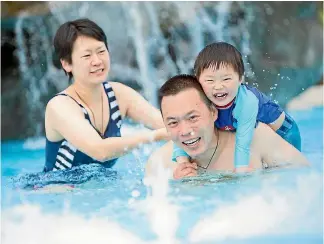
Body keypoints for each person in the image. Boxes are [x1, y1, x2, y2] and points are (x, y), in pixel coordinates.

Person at [44, 18, 168, 172]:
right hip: (58, 190)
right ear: (67, 64)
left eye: (101, 51)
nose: (97, 61)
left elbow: (167, 123)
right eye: (87, 56)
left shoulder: (119, 95)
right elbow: (100, 151)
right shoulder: (60, 106)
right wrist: (156, 136)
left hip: (101, 187)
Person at [146, 74, 309, 179]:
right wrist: (181, 188)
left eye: (193, 117)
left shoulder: (256, 139)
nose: (185, 131)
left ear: (213, 113)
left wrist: (264, 178)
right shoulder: (160, 164)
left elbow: (305, 180)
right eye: (173, 122)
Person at [172, 42, 302, 172]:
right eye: (210, 80)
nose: (218, 86)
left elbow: (243, 141)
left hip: (285, 132)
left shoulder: (247, 102)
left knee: (285, 172)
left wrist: (240, 170)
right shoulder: (202, 96)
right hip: (249, 130)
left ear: (240, 79)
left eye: (226, 79)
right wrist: (182, 161)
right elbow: (182, 127)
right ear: (198, 81)